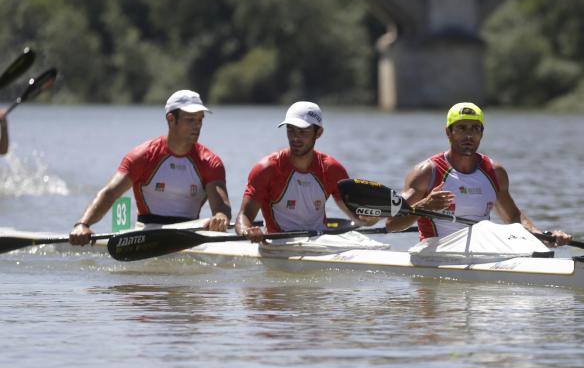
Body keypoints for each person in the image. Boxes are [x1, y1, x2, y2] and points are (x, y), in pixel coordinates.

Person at [385, 102, 572, 246]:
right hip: (435, 251)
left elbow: (514, 219)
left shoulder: (495, 172)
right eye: (462, 128)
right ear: (448, 132)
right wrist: (425, 206)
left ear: (482, 133)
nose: (469, 135)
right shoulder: (426, 172)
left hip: (481, 249)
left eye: (475, 128)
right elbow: (392, 224)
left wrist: (544, 236)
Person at [69, 90, 232, 245]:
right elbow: (110, 193)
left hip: (190, 231)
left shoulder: (210, 162)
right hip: (147, 231)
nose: (197, 126)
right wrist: (83, 224)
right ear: (171, 119)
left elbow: (221, 207)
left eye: (200, 120)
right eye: (190, 120)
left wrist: (220, 216)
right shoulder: (143, 156)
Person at [236, 101, 376, 241]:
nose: (295, 138)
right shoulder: (266, 170)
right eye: (290, 130)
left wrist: (373, 217)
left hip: (320, 243)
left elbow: (358, 218)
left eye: (303, 131)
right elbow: (244, 216)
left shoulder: (332, 170)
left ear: (318, 133)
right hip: (278, 245)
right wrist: (247, 230)